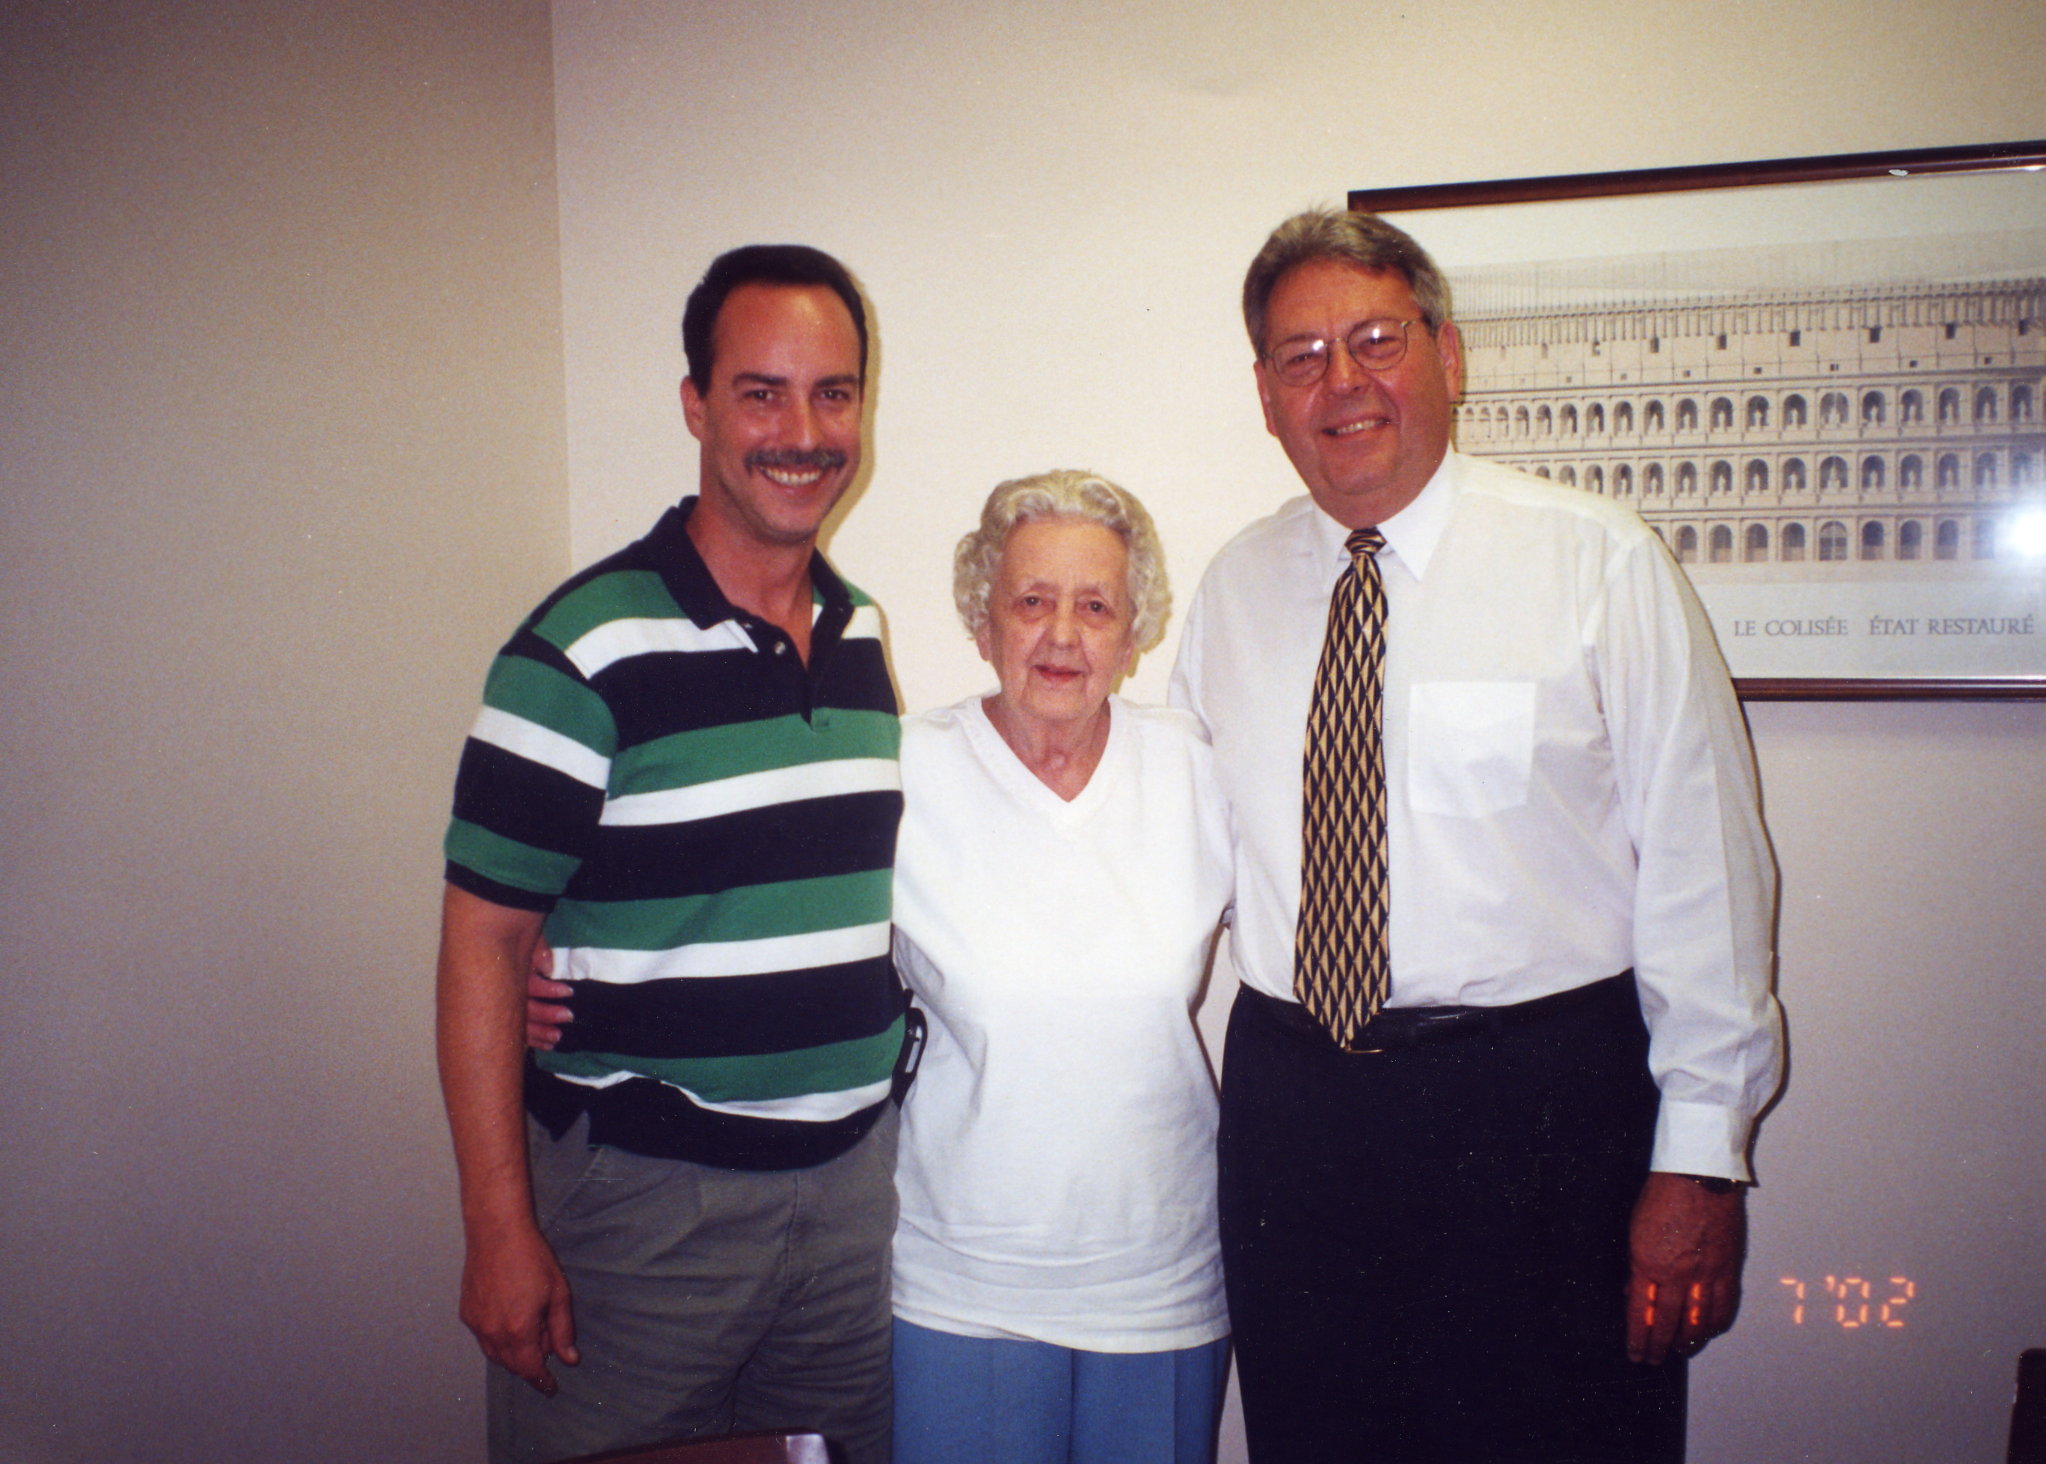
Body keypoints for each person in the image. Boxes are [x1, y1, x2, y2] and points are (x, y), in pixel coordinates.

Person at [1169, 209, 1785, 1462]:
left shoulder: (1598, 563)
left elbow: (1706, 873)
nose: (1342, 382)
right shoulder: (1233, 590)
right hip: (1297, 1114)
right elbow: (1178, 859)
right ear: (1266, 397)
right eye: (1301, 357)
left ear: (1447, 355)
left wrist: (1699, 1159)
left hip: (1539, 1113)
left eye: (1376, 340)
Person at [437, 243, 911, 1464]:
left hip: (850, 1210)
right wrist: (497, 1229)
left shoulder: (862, 633)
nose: (802, 432)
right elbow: (483, 943)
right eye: (762, 393)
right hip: (645, 1220)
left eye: (834, 393)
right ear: (697, 405)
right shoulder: (580, 649)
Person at [889, 472, 1232, 1464]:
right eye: (1032, 601)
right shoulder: (906, 768)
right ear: (983, 620)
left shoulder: (1194, 767)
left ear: (1133, 635)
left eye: (1096, 607)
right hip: (959, 1282)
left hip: (1160, 1282)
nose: (1062, 635)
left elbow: (1313, 922)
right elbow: (775, 921)